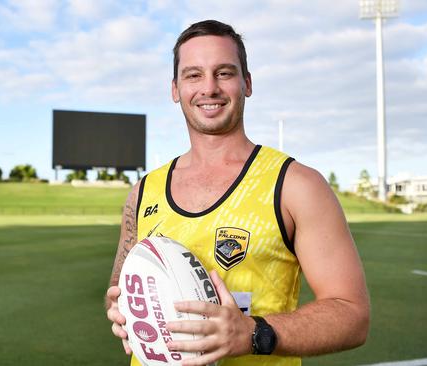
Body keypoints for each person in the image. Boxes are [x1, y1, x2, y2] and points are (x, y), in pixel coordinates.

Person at [105, 19, 370, 366]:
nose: (209, 88)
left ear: (246, 83)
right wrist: (123, 310)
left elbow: (352, 315)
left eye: (224, 73)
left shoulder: (295, 185)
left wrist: (252, 333)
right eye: (193, 75)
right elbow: (118, 290)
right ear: (175, 89)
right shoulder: (143, 192)